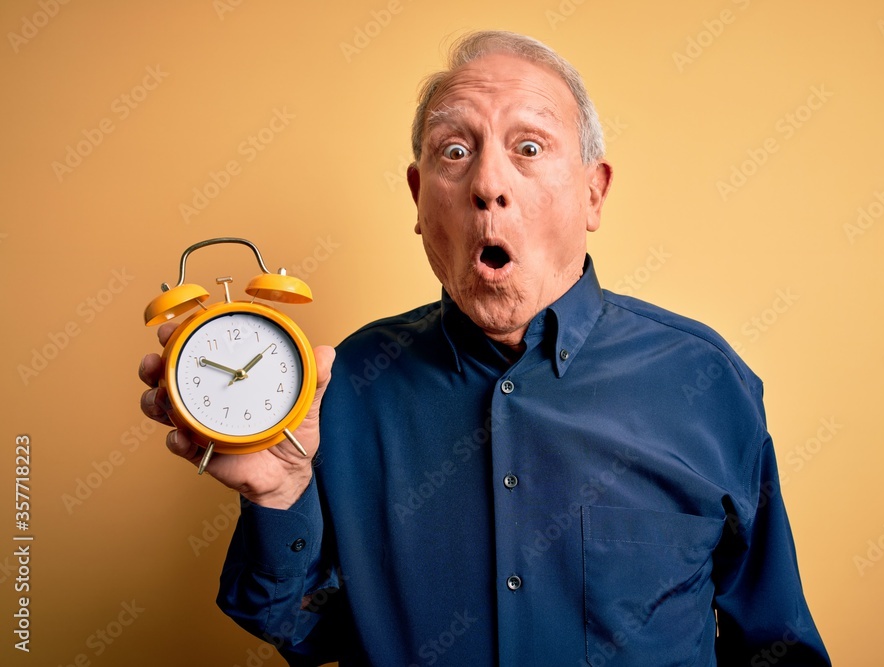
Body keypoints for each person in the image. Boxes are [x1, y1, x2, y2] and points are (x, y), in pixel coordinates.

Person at [139, 30, 831, 666]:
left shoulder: (704, 381)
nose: (488, 185)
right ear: (419, 199)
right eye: (455, 151)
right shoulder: (339, 391)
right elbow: (300, 627)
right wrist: (279, 492)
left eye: (528, 148)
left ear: (593, 193)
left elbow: (777, 648)